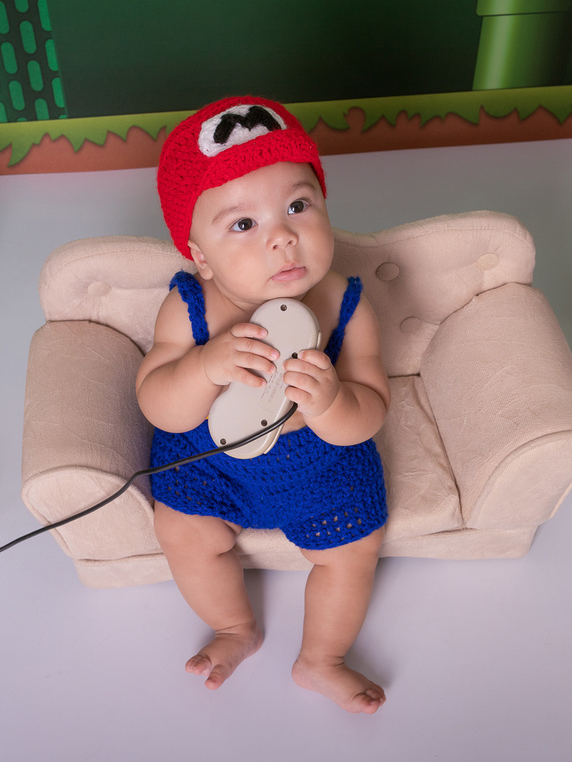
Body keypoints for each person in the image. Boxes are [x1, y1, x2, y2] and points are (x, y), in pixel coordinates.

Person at [136, 96, 390, 714]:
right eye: (243, 225)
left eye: (298, 206)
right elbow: (159, 405)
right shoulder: (191, 308)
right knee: (181, 529)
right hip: (210, 461)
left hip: (320, 465)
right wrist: (203, 366)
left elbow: (372, 409)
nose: (282, 237)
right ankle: (234, 627)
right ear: (200, 255)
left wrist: (332, 402)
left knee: (355, 550)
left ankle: (321, 659)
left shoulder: (346, 305)